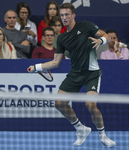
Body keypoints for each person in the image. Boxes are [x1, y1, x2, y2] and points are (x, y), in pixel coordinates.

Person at [28, 3, 116, 148]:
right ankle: (81, 129)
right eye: (62, 15)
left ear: (73, 15)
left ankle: (103, 135)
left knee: (90, 105)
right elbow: (56, 62)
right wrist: (36, 67)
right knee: (59, 103)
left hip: (92, 73)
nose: (64, 18)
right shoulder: (61, 38)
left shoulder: (86, 26)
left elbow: (106, 36)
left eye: (67, 15)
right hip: (75, 73)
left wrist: (101, 40)